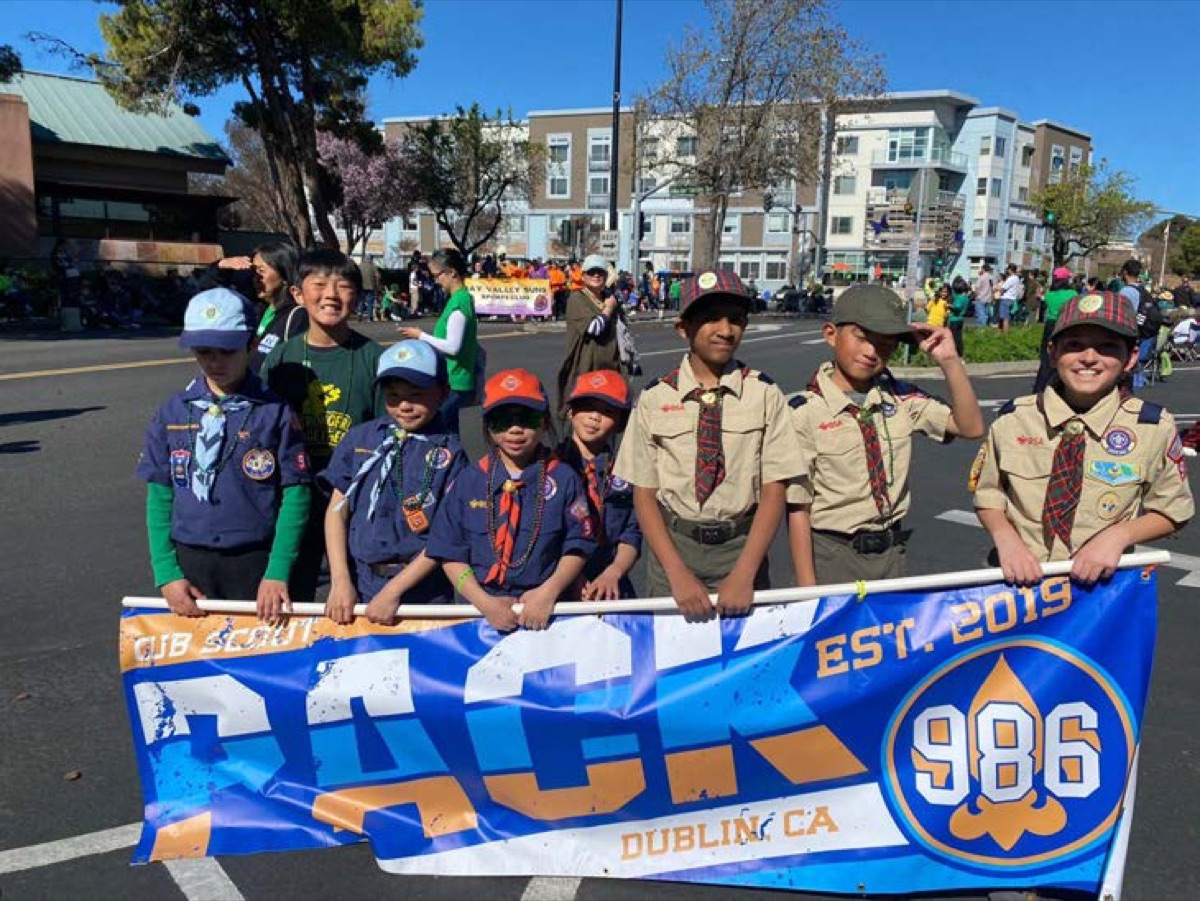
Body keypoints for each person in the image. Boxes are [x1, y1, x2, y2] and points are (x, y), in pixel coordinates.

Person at [613, 269, 802, 622]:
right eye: (710, 319)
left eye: (735, 320)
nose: (725, 330)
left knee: (745, 665)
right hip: (675, 549)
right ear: (683, 328)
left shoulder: (764, 394)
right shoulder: (655, 398)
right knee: (674, 666)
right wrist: (677, 575)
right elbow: (644, 493)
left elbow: (775, 488)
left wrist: (745, 574)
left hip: (742, 548)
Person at [972, 291, 1193, 585]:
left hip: (1098, 593)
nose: (1089, 358)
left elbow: (1173, 511)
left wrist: (1118, 536)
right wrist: (1006, 540)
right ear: (1052, 352)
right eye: (1074, 346)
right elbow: (988, 494)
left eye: (1107, 348)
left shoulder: (1152, 426)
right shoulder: (1014, 419)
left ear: (1130, 358)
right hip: (1014, 582)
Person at [787, 284, 984, 586]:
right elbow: (798, 506)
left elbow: (970, 427)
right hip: (831, 553)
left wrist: (949, 362)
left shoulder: (900, 398)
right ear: (831, 334)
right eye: (863, 338)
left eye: (886, 344)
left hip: (891, 553)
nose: (872, 352)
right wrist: (807, 587)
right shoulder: (803, 411)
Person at [136, 288, 312, 620]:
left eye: (227, 351)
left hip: (254, 561)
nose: (215, 362)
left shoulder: (273, 412)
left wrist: (277, 570)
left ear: (251, 345)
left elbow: (296, 493)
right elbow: (159, 495)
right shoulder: (173, 412)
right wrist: (166, 572)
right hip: (190, 561)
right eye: (204, 352)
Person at [426, 369, 596, 632]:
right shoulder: (469, 481)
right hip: (480, 612)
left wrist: (548, 592)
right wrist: (484, 603)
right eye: (501, 420)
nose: (515, 430)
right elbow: (449, 551)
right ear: (488, 425)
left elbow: (579, 544)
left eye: (527, 418)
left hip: (545, 611)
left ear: (544, 422)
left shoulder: (564, 478)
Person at [262, 248, 384, 602]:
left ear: (357, 297)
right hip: (293, 502)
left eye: (343, 286)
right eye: (319, 284)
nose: (331, 295)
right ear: (299, 294)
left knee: (351, 602)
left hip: (355, 504)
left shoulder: (373, 358)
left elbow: (385, 436)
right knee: (295, 599)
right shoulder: (281, 359)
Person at [321, 341, 468, 624]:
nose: (404, 405)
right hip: (359, 584)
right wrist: (340, 581)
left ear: (443, 393)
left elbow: (446, 537)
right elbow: (336, 511)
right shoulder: (361, 439)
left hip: (423, 591)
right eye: (393, 396)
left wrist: (392, 591)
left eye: (417, 395)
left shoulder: (451, 453)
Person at [558, 369, 642, 599]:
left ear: (620, 421)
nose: (594, 417)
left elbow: (632, 531)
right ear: (570, 411)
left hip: (611, 579)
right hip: (557, 580)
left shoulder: (627, 469)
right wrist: (571, 576)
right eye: (587, 407)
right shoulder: (550, 467)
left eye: (607, 411)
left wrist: (614, 571)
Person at [397, 248, 479, 435]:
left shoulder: (459, 302)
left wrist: (420, 336)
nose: (436, 281)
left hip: (455, 381)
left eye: (437, 275)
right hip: (452, 379)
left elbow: (453, 347)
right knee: (449, 433)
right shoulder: (459, 299)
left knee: (441, 434)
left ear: (451, 272)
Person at [556, 253, 625, 417]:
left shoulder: (610, 298)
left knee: (607, 419)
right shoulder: (577, 298)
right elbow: (594, 329)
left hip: (610, 371)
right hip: (584, 370)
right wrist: (608, 309)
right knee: (583, 419)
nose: (596, 275)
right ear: (584, 276)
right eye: (591, 272)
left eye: (600, 272)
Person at [1033, 266, 1079, 392]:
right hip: (1065, 324)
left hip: (1050, 324)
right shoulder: (1072, 294)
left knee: (1047, 357)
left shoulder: (1049, 294)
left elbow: (1041, 298)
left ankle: (1040, 387)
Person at [948, 276, 972, 357]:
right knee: (959, 337)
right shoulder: (966, 298)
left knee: (953, 338)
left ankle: (953, 354)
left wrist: (949, 306)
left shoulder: (959, 298)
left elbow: (957, 308)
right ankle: (960, 354)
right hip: (961, 319)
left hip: (954, 319)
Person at [996, 264, 1022, 334]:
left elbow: (1003, 289)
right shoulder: (1017, 278)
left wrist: (997, 289)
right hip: (1012, 299)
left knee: (1004, 318)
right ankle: (998, 333)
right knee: (1004, 318)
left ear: (1010, 270)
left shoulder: (1010, 278)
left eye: (1008, 269)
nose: (1007, 270)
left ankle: (1005, 335)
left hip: (1006, 299)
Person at [972, 263, 994, 327]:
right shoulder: (991, 278)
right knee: (986, 314)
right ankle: (986, 327)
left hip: (981, 298)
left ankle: (982, 328)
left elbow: (977, 288)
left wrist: (976, 296)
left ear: (983, 269)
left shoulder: (981, 277)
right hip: (988, 298)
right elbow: (992, 288)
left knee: (981, 314)